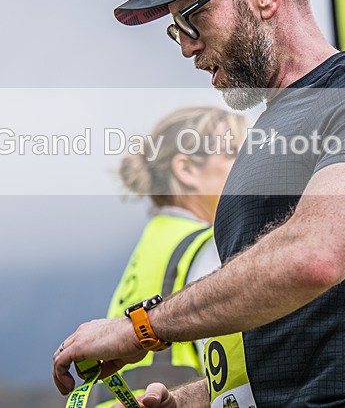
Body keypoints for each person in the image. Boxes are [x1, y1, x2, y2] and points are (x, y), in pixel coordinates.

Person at [53, 0, 345, 407]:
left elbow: (314, 256)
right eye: (176, 30)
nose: (187, 47)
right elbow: (285, 345)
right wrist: (197, 400)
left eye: (192, 18)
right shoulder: (267, 133)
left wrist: (138, 329)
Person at [86, 107, 246, 407]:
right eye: (233, 151)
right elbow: (237, 369)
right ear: (186, 170)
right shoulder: (207, 244)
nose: (248, 164)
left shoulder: (153, 242)